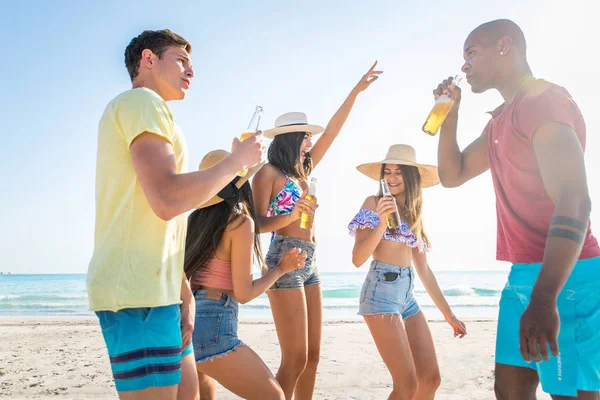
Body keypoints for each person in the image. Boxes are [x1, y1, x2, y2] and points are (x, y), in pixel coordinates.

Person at [86, 29, 264, 400]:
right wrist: (235, 162)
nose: (191, 72)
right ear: (148, 60)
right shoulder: (141, 104)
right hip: (137, 293)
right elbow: (167, 198)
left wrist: (182, 289)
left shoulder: (154, 113)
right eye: (181, 61)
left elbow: (163, 217)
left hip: (159, 291)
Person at [434, 19, 600, 399]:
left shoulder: (543, 101)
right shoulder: (500, 121)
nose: (464, 66)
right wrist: (450, 117)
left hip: (566, 277)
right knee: (509, 392)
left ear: (505, 46)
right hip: (522, 276)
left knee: (572, 395)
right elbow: (453, 174)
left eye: (471, 53)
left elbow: (575, 199)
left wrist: (545, 298)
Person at [251, 61, 382, 399]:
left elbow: (334, 132)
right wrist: (291, 213)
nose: (311, 139)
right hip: (284, 257)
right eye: (306, 134)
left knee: (312, 357)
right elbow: (255, 224)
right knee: (294, 357)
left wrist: (356, 91)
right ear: (290, 138)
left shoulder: (303, 170)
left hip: (310, 259)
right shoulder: (267, 173)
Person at [183, 150, 307, 400]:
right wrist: (281, 268)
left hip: (188, 322)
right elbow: (244, 293)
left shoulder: (195, 220)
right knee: (275, 397)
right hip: (214, 326)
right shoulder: (240, 223)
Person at [349, 144, 467, 400]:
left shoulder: (413, 212)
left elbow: (423, 269)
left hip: (407, 296)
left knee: (431, 379)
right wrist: (381, 223)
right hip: (380, 292)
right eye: (387, 171)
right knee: (406, 385)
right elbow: (357, 259)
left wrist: (449, 314)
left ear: (411, 177)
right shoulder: (373, 203)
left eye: (399, 172)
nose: (391, 177)